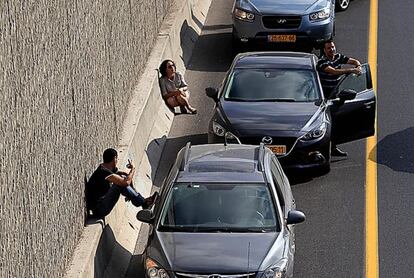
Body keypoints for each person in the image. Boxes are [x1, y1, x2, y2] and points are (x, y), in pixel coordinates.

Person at [317, 39, 362, 157]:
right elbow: (333, 72)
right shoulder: (322, 62)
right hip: (325, 97)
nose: (331, 50)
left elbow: (353, 61)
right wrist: (352, 70)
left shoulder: (338, 57)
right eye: (328, 48)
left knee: (336, 123)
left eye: (332, 47)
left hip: (336, 95)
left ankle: (334, 147)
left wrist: (358, 66)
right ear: (324, 50)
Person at [86, 148, 158, 218]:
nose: (117, 161)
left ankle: (142, 201)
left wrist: (130, 192)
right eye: (117, 159)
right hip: (99, 209)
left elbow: (124, 176)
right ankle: (144, 203)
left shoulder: (106, 168)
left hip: (101, 204)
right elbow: (126, 182)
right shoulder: (103, 172)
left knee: (122, 178)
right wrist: (133, 169)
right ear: (114, 159)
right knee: (119, 185)